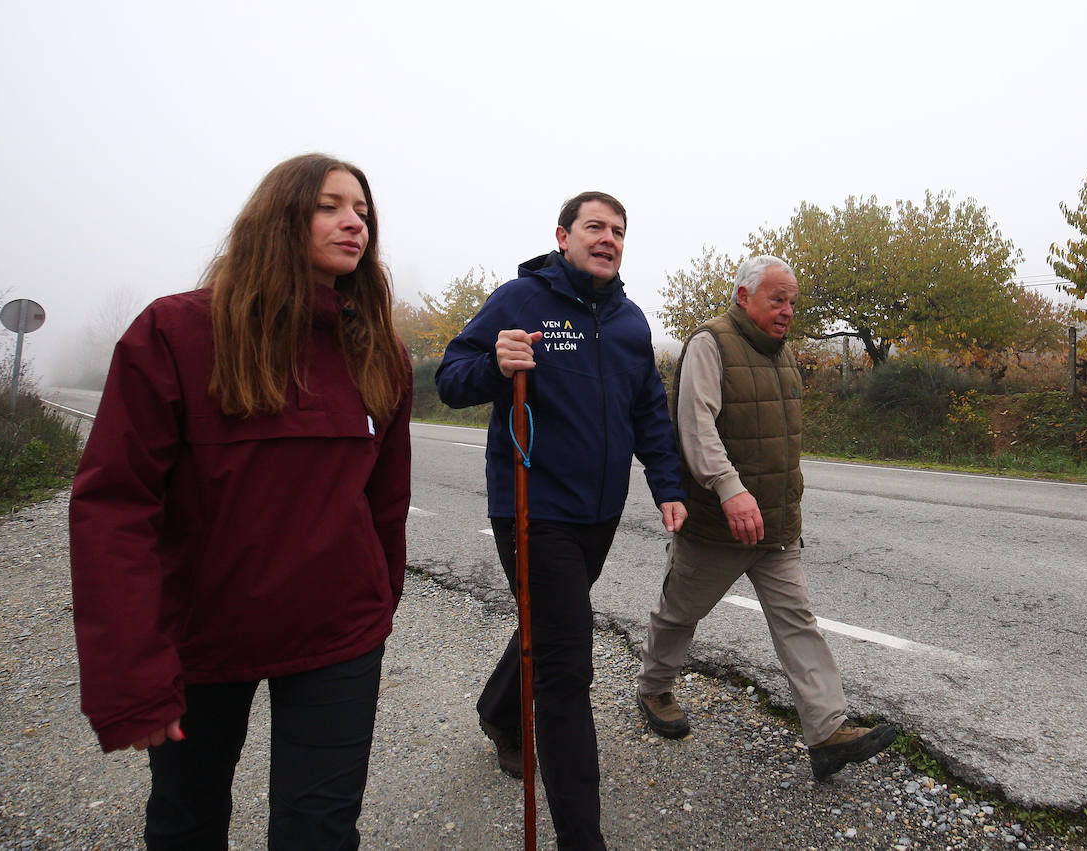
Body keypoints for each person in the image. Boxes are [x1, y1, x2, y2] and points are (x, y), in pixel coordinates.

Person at [69, 153, 412, 849]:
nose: (355, 223)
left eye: (364, 212)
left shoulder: (379, 353)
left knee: (319, 829)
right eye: (330, 205)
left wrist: (378, 603)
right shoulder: (174, 333)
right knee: (186, 820)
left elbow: (386, 502)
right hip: (202, 638)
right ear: (278, 216)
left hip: (337, 637)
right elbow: (113, 506)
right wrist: (133, 673)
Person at [435, 191, 686, 850]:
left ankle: (499, 713)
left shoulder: (631, 322)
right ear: (563, 235)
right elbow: (451, 377)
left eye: (619, 230)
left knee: (549, 628)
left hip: (598, 512)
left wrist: (668, 485)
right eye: (595, 227)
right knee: (567, 669)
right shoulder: (521, 301)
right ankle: (583, 837)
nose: (609, 238)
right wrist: (495, 364)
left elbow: (649, 414)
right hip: (532, 508)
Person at [635, 255, 897, 781]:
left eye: (793, 301)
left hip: (777, 527)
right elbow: (695, 427)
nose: (787, 311)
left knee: (798, 623)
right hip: (716, 524)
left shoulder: (785, 355)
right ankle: (654, 689)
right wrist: (730, 491)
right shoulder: (710, 344)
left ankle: (826, 733)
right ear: (743, 296)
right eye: (777, 299)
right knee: (679, 613)